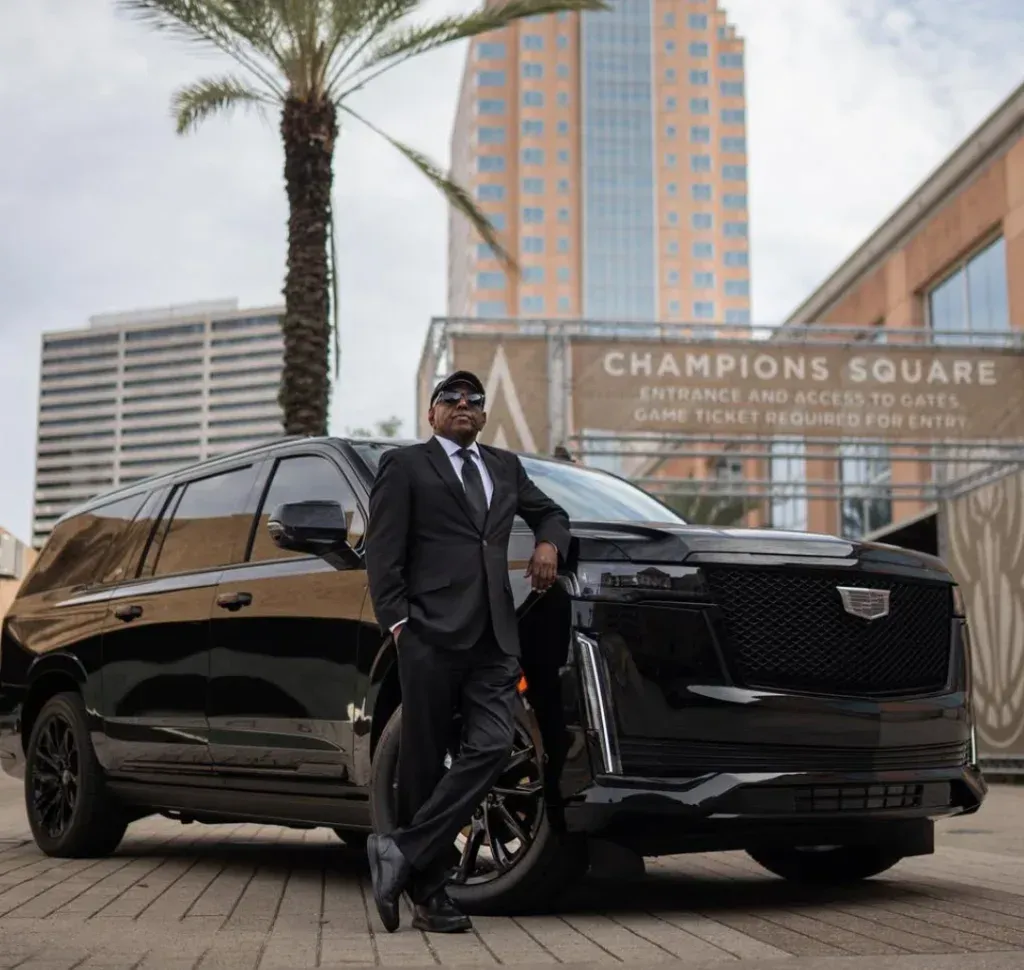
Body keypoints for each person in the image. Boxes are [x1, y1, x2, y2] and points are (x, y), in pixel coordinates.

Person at [364, 370, 571, 934]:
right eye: (449, 398)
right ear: (431, 414)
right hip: (428, 634)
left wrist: (550, 543)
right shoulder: (405, 467)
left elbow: (551, 512)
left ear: (482, 416)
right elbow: (382, 554)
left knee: (492, 746)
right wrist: (401, 624)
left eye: (473, 400)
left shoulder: (504, 467)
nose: (462, 404)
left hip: (496, 637)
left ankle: (398, 851)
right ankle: (430, 896)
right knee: (424, 763)